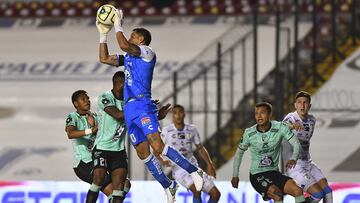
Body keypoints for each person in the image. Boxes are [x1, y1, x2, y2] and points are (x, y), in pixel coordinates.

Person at [95, 8, 204, 203]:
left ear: (141, 40)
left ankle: (195, 171)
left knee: (157, 145)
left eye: (133, 36)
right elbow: (103, 59)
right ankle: (168, 185)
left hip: (142, 104)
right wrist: (103, 35)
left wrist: (117, 23)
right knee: (142, 152)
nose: (129, 37)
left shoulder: (147, 53)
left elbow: (123, 44)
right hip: (129, 109)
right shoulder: (129, 57)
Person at [231, 102, 309, 203]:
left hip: (274, 172)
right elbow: (239, 154)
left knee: (298, 190)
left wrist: (293, 158)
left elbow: (296, 144)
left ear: (269, 115)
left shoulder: (279, 127)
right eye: (256, 113)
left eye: (262, 113)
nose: (259, 116)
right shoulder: (249, 133)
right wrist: (235, 175)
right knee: (277, 194)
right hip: (257, 174)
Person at [159, 104, 221, 203]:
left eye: (180, 112)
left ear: (184, 114)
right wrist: (161, 160)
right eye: (175, 113)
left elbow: (200, 148)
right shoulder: (166, 131)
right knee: (196, 189)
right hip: (179, 169)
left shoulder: (192, 129)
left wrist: (210, 164)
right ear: (172, 116)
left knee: (216, 194)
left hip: (194, 167)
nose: (178, 115)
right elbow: (156, 149)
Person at [85, 71, 131, 203]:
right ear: (120, 84)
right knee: (98, 178)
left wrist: (155, 114)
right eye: (126, 84)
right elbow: (117, 115)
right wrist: (138, 108)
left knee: (120, 187)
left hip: (119, 151)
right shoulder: (105, 97)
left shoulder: (129, 101)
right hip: (102, 148)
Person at [282, 91, 333, 203]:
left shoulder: (312, 120)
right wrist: (291, 126)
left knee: (328, 192)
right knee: (318, 194)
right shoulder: (291, 118)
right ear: (295, 105)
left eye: (305, 103)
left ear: (309, 106)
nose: (302, 105)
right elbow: (282, 127)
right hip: (295, 166)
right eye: (299, 102)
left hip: (308, 163)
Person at [65, 90, 115, 201]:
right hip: (83, 163)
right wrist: (91, 130)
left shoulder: (95, 117)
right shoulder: (73, 117)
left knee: (123, 185)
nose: (87, 101)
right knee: (113, 192)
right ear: (76, 103)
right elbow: (71, 133)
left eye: (88, 99)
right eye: (83, 99)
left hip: (98, 160)